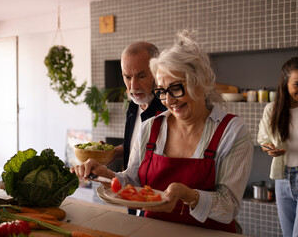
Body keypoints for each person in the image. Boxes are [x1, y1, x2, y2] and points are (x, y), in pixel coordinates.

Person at [72, 30, 253, 233]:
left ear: (201, 83)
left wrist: (188, 195)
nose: (169, 101)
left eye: (176, 88)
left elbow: (229, 206)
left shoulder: (231, 132)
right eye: (162, 92)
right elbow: (133, 181)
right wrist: (105, 175)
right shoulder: (151, 127)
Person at [258, 57, 298, 237]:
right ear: (285, 82)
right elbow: (263, 140)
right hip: (282, 180)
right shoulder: (272, 110)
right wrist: (269, 148)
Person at [109, 42, 167, 215]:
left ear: (157, 72)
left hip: (158, 203)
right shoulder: (134, 105)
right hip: (132, 195)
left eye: (141, 76)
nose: (133, 86)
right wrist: (111, 153)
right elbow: (135, 148)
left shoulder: (168, 109)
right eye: (127, 77)